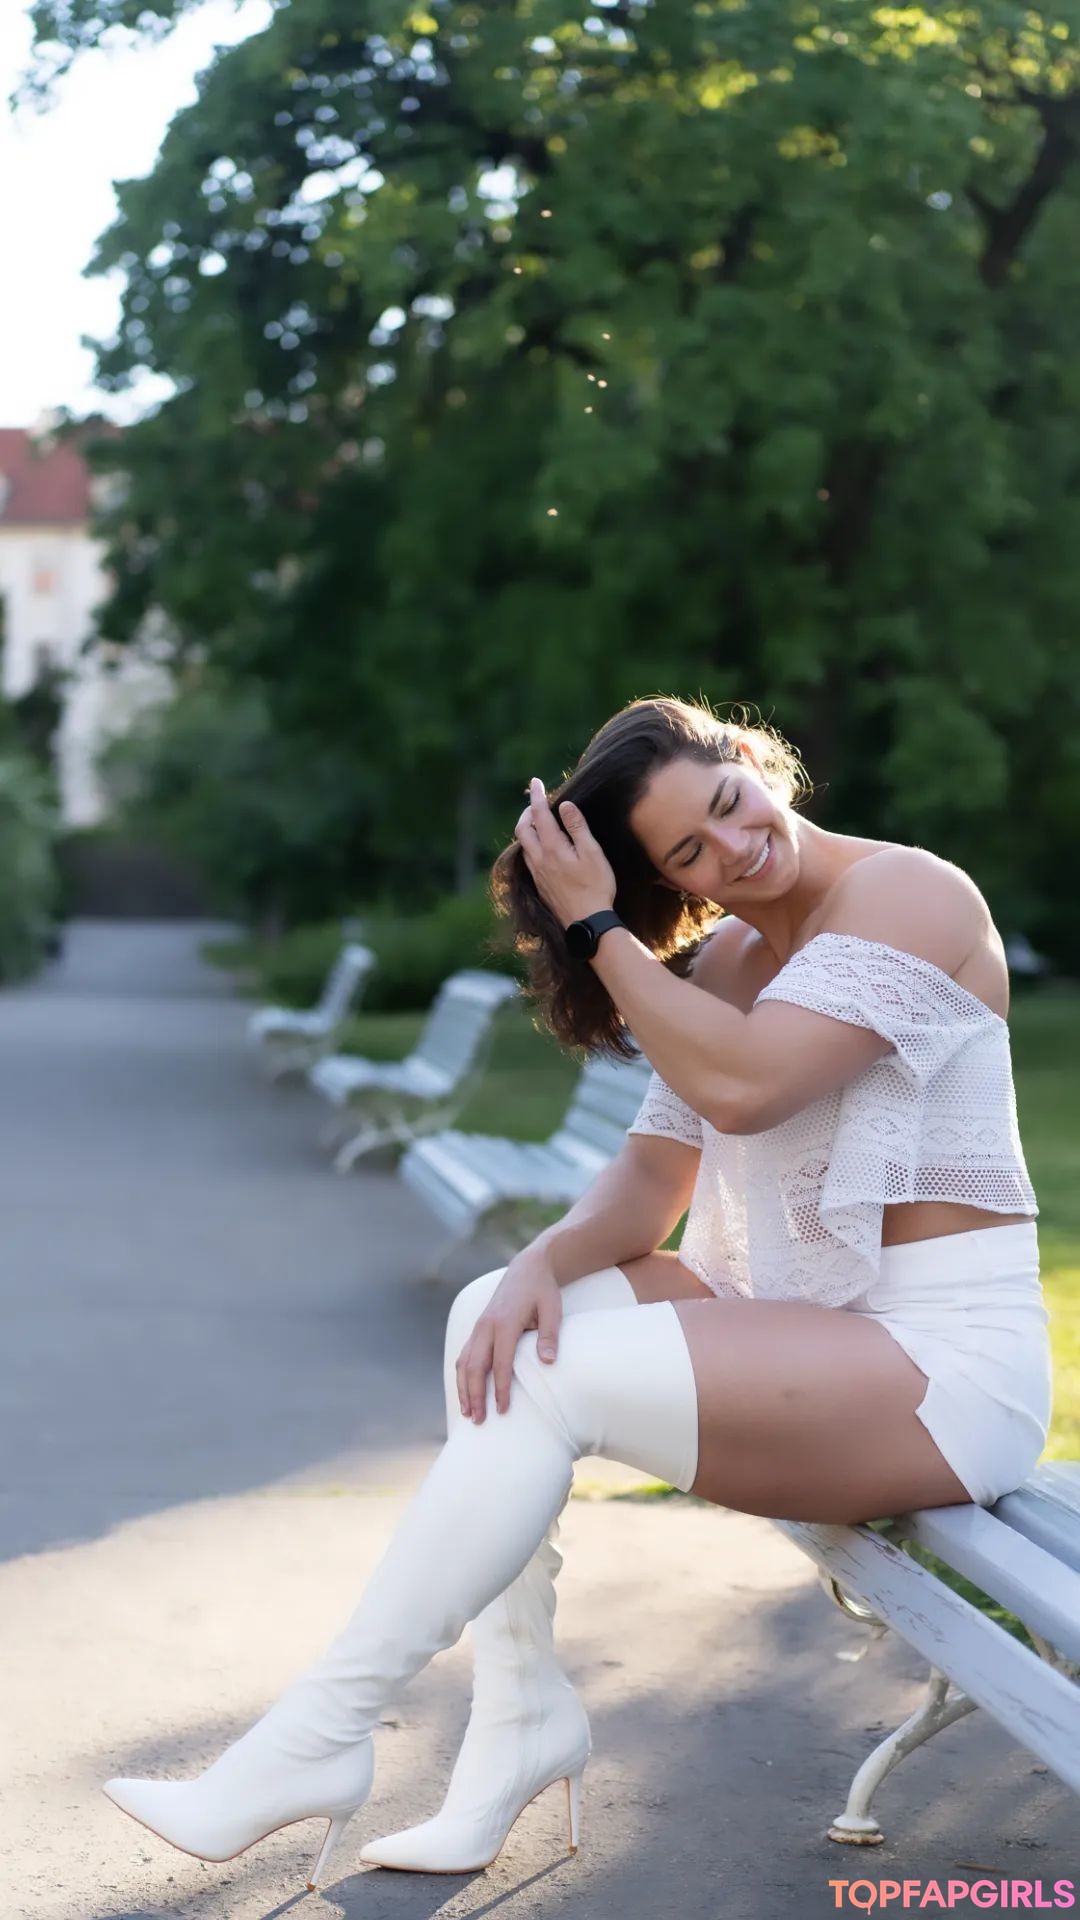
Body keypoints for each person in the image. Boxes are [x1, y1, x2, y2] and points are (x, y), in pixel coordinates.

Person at [102, 695, 1051, 1891]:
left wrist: (601, 928)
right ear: (670, 879)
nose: (735, 846)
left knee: (548, 1376)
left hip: (943, 1371)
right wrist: (534, 1267)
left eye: (730, 802)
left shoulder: (910, 893)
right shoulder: (726, 961)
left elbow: (751, 1088)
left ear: (752, 760)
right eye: (690, 851)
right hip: (818, 1338)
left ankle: (316, 1738)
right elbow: (651, 1179)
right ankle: (517, 1727)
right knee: (495, 1320)